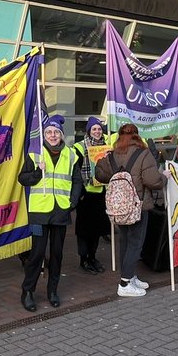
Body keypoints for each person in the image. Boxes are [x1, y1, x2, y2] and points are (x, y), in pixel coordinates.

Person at [94, 123, 163, 297]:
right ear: (137, 136)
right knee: (135, 244)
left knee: (124, 241)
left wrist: (105, 160)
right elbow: (153, 181)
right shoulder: (144, 153)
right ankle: (125, 283)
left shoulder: (113, 155)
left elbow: (99, 175)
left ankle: (130, 276)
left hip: (119, 207)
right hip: (138, 206)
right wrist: (165, 178)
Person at [19, 115, 80, 311]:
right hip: (39, 212)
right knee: (36, 254)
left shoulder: (71, 154)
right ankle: (27, 291)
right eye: (49, 132)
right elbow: (23, 178)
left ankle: (52, 291)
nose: (52, 135)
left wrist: (72, 201)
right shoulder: (34, 154)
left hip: (60, 211)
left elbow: (77, 180)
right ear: (43, 134)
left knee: (57, 254)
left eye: (56, 132)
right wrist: (37, 172)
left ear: (61, 135)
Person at [71, 116, 109, 275]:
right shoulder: (79, 147)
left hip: (101, 193)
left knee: (97, 229)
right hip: (85, 195)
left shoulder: (107, 147)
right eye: (94, 129)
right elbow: (74, 171)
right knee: (84, 229)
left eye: (99, 129)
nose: (97, 132)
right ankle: (83, 259)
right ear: (88, 131)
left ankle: (92, 257)